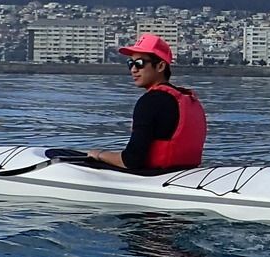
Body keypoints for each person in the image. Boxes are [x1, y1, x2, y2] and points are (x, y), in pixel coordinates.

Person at [86, 33, 206, 173]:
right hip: (187, 172)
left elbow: (131, 160)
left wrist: (99, 154)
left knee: (61, 155)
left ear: (160, 66)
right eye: (130, 63)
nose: (133, 69)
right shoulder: (189, 99)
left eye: (140, 63)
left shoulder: (150, 102)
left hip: (155, 176)